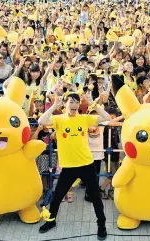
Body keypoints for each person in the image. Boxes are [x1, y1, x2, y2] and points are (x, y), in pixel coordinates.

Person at [38, 91, 111, 240]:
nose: (74, 105)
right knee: (57, 196)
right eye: (71, 101)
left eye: (76, 102)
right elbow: (42, 120)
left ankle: (101, 225)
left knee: (95, 197)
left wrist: (93, 104)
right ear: (65, 104)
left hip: (87, 165)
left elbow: (107, 118)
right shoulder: (58, 119)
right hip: (69, 168)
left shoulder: (84, 118)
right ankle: (51, 221)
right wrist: (54, 106)